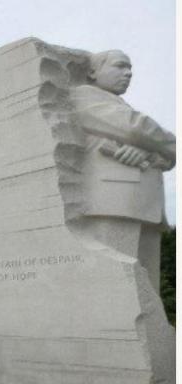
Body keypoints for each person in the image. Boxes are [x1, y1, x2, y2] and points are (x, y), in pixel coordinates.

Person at [69, 50, 175, 293]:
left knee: (147, 289)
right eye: (120, 66)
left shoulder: (116, 104)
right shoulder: (83, 96)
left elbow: (151, 149)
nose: (128, 73)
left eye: (131, 70)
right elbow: (135, 128)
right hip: (114, 202)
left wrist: (150, 153)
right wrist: (173, 147)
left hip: (145, 206)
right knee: (116, 288)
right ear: (93, 72)